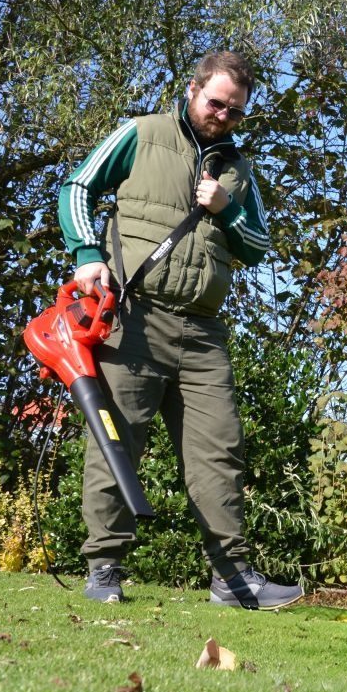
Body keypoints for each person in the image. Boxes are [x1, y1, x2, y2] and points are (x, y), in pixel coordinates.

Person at [57, 50, 303, 610]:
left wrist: (227, 209)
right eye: (216, 103)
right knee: (115, 442)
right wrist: (87, 253)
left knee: (220, 450)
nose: (222, 116)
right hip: (132, 320)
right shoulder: (141, 134)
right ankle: (104, 569)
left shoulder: (238, 173)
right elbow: (76, 189)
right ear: (192, 91)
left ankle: (233, 580)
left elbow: (260, 247)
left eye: (235, 111)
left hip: (202, 332)